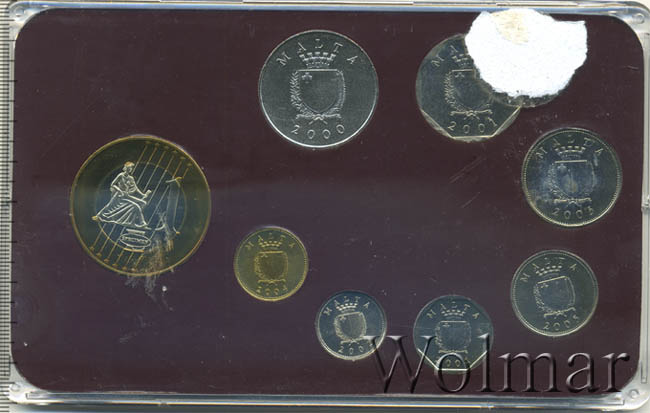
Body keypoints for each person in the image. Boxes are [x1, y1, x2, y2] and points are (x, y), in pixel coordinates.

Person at [93, 162, 152, 228]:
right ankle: (99, 216)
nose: (130, 169)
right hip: (119, 196)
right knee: (110, 206)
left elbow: (135, 188)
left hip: (126, 196)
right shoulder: (120, 175)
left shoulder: (131, 178)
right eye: (129, 167)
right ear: (125, 168)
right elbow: (113, 184)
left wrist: (142, 194)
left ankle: (136, 220)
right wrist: (119, 190)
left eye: (131, 168)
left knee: (142, 203)